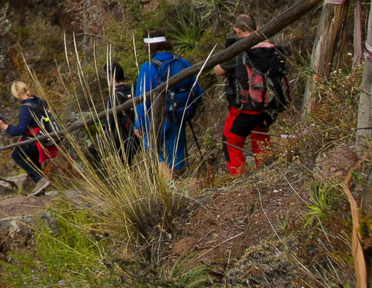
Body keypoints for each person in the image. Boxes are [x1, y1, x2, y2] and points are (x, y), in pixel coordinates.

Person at [213, 13, 290, 175]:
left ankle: (239, 178)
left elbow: (219, 70)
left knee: (231, 142)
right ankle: (267, 174)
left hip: (245, 107)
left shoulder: (238, 50)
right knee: (260, 138)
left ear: (236, 30)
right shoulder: (271, 47)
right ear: (257, 28)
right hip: (269, 105)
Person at [135, 33, 203, 176]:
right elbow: (197, 90)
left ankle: (166, 185)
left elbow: (142, 97)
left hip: (155, 117)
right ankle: (179, 183)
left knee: (152, 150)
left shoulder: (148, 67)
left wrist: (139, 123)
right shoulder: (183, 63)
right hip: (179, 114)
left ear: (149, 47)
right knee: (177, 154)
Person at [0, 81, 56, 195]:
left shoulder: (25, 108)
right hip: (44, 137)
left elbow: (21, 129)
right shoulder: (39, 100)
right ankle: (40, 190)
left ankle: (39, 180)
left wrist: (4, 126)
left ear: (17, 94)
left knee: (17, 155)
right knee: (34, 161)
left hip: (34, 138)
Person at [99, 60, 138, 165]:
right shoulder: (134, 91)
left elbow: (109, 124)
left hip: (122, 141)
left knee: (91, 153)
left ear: (111, 77)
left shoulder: (112, 98)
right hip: (137, 136)